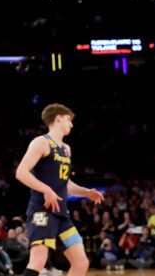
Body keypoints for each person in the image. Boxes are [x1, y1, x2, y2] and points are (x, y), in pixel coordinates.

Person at [14, 104, 104, 276]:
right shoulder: (41, 142)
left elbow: (66, 184)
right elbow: (21, 172)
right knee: (39, 260)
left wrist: (86, 192)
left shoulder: (66, 149)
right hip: (42, 211)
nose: (71, 124)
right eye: (69, 120)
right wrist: (46, 189)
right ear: (58, 118)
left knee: (81, 262)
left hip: (62, 215)